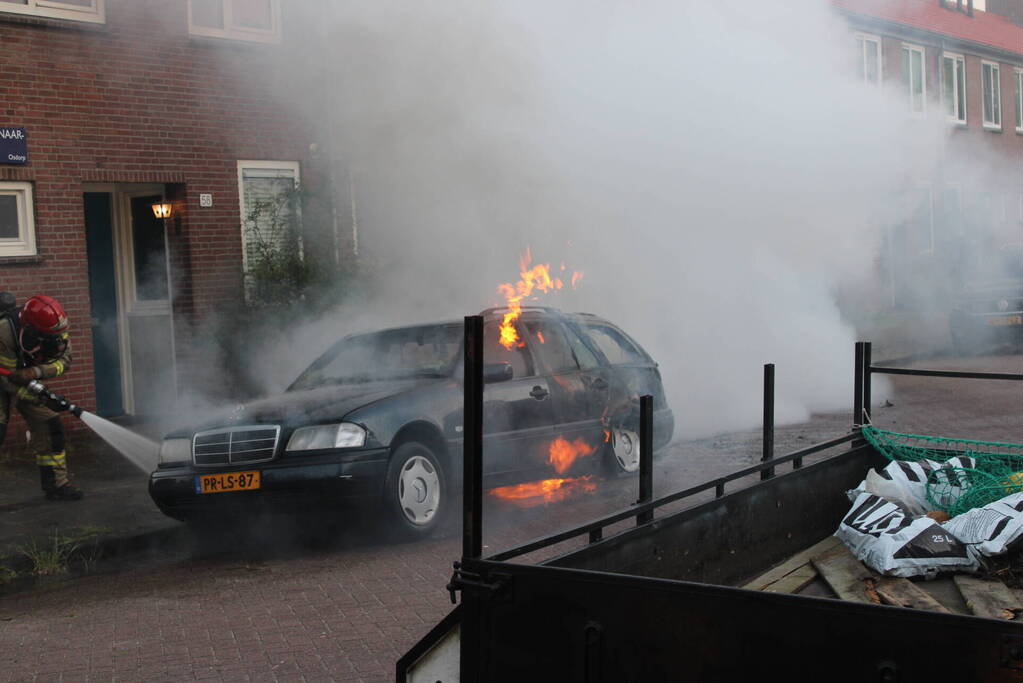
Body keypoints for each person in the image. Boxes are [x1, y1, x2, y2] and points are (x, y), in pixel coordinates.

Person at [0, 294, 82, 501]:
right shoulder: (4, 332)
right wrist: (41, 397)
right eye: (48, 338)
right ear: (30, 332)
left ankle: (57, 485)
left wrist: (35, 373)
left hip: (24, 377)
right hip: (4, 377)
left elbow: (65, 361)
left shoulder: (56, 329)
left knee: (50, 425)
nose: (57, 342)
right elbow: (7, 381)